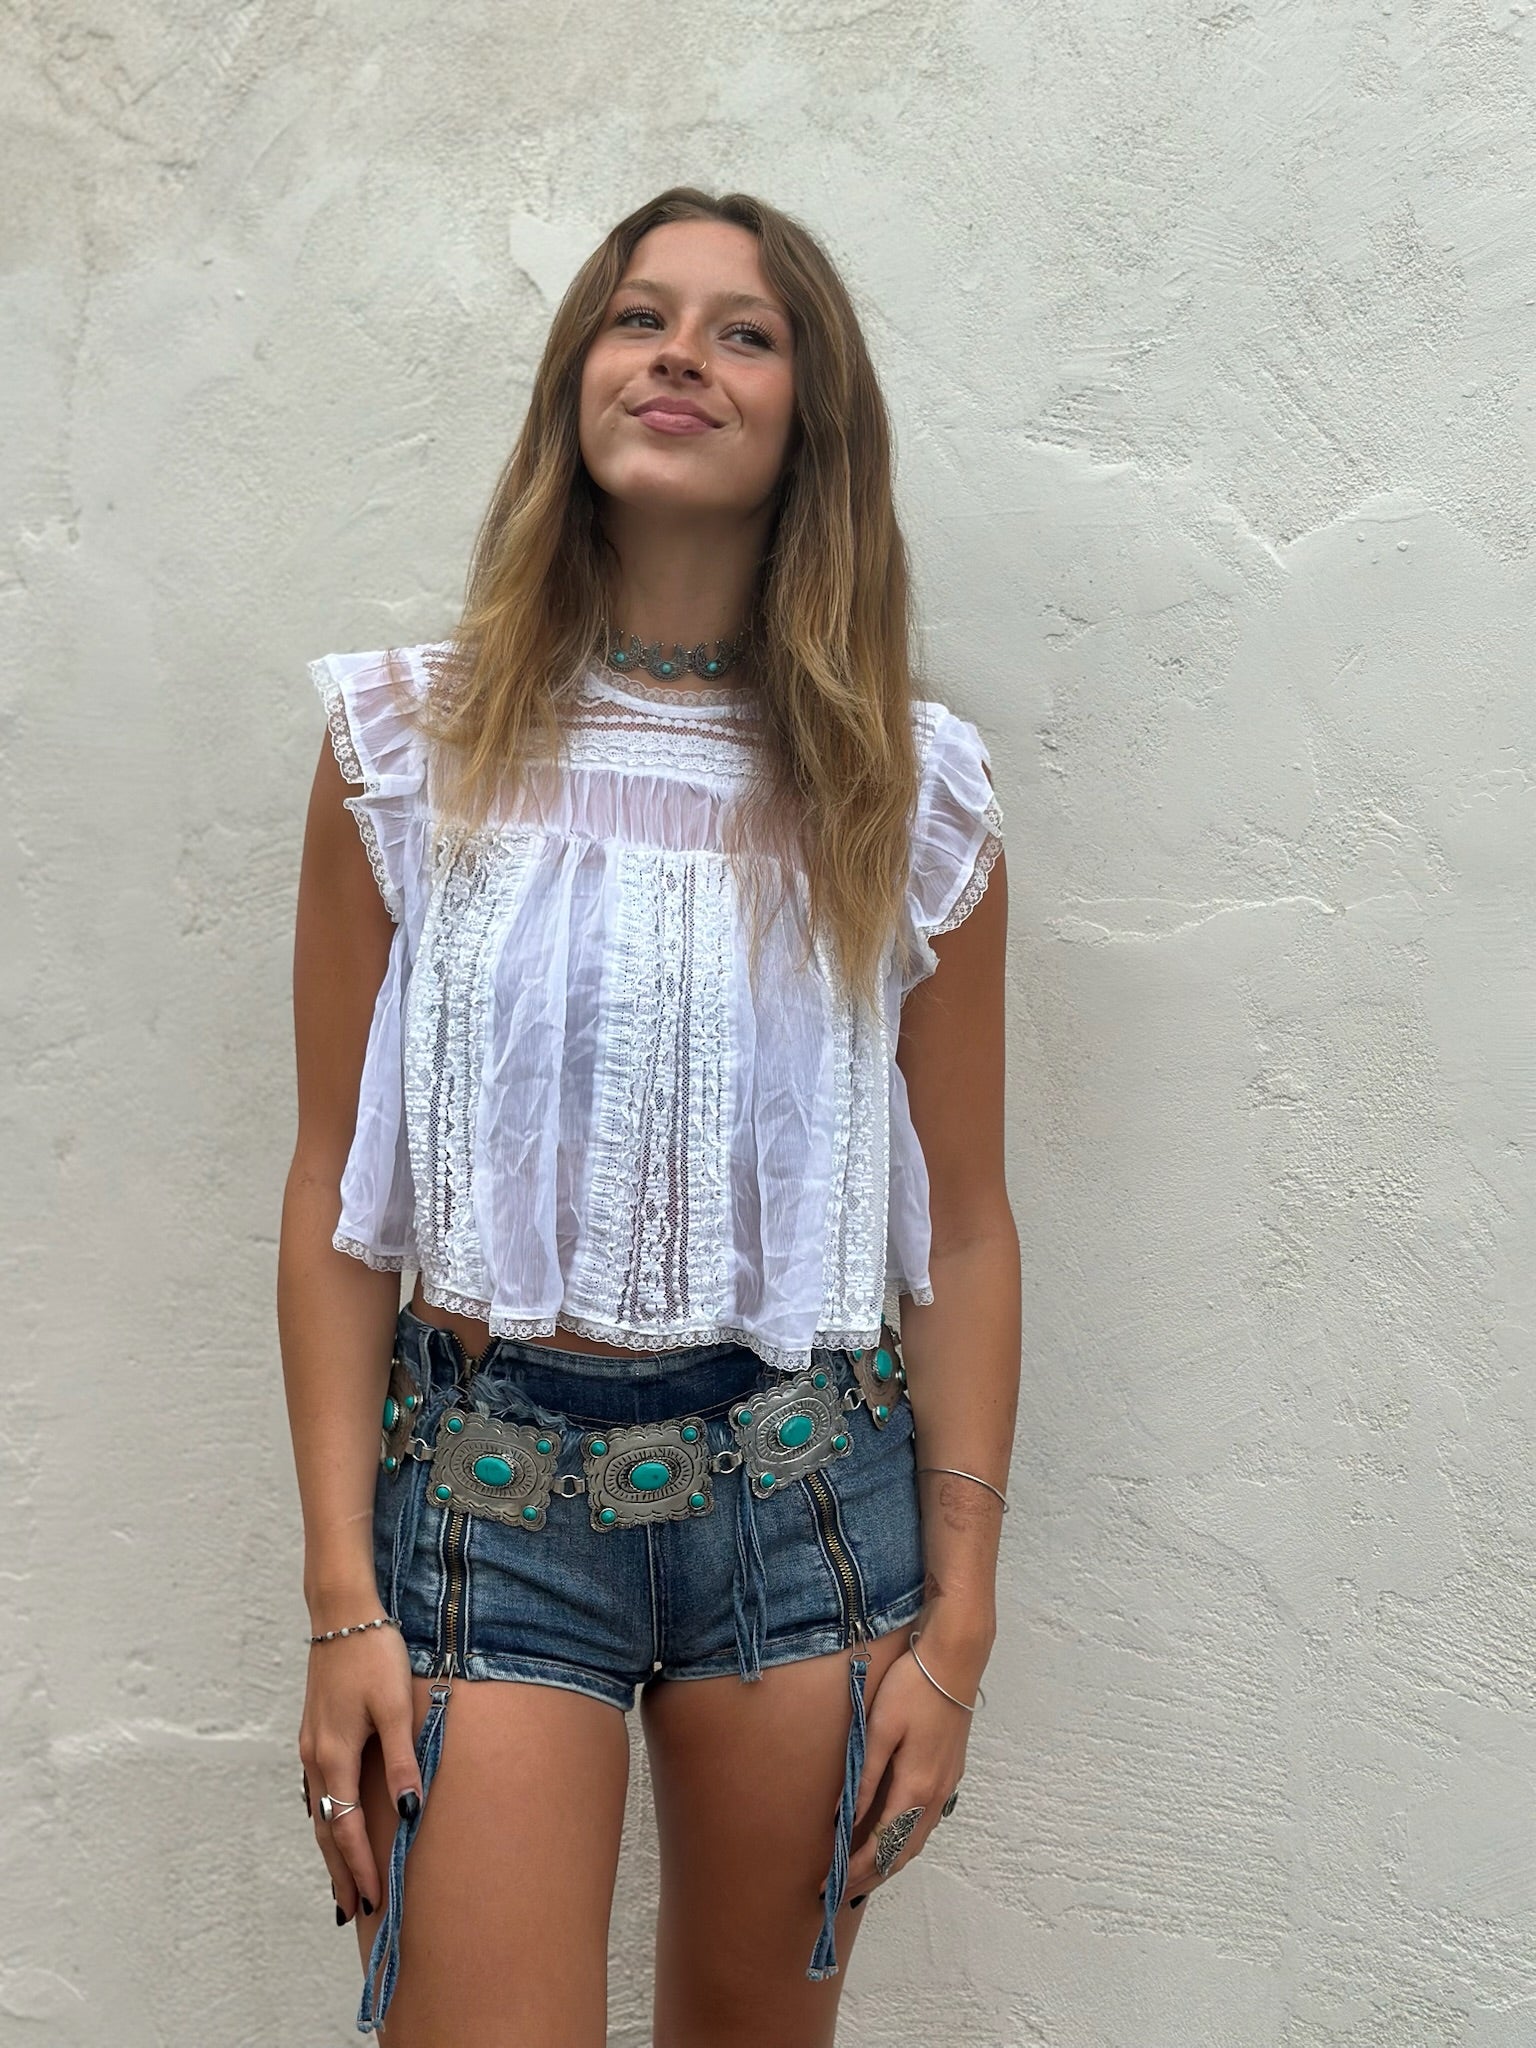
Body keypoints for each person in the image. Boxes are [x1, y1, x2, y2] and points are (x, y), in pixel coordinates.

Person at [278, 184, 1020, 2047]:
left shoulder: (907, 789)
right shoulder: (407, 748)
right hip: (486, 1507)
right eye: (639, 316)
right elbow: (333, 1193)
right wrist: (342, 1602)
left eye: (742, 331)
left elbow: (967, 1224)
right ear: (575, 381)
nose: (679, 353)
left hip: (804, 1504)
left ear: (809, 421)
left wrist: (961, 1624)